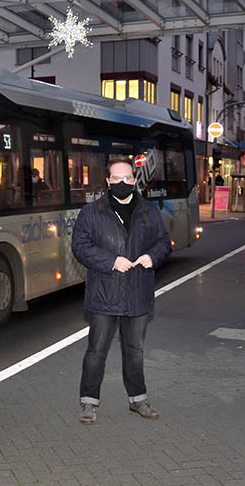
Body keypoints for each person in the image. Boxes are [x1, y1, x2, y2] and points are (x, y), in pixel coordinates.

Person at [71, 158, 171, 424]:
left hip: (138, 292)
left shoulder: (149, 211)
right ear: (108, 181)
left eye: (128, 178)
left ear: (135, 180)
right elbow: (80, 247)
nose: (123, 183)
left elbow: (163, 241)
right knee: (96, 351)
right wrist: (111, 261)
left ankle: (138, 400)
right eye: (117, 179)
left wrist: (154, 255)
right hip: (105, 293)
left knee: (135, 350)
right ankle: (88, 402)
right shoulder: (92, 212)